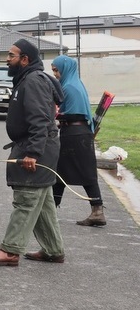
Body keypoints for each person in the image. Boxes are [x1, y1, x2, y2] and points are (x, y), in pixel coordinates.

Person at [0, 39, 65, 266]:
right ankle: (53, 250)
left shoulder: (33, 81)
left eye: (11, 55)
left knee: (26, 199)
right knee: (43, 202)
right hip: (36, 146)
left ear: (24, 59)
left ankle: (10, 251)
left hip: (36, 149)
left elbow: (40, 120)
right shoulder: (27, 79)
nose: (7, 60)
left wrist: (33, 153)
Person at [51, 55, 106, 226]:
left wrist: (57, 115)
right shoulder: (75, 84)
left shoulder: (69, 87)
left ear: (65, 69)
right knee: (67, 172)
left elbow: (75, 113)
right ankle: (96, 210)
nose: (55, 74)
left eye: (56, 70)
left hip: (75, 135)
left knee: (65, 173)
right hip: (78, 133)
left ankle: (50, 211)